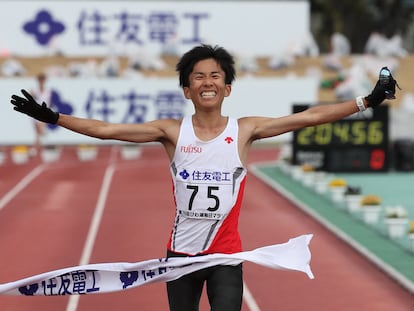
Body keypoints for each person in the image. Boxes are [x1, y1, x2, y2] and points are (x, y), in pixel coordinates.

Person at [10, 44, 398, 311]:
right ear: (186, 89)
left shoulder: (246, 130)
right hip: (179, 258)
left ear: (227, 87)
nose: (207, 82)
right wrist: (53, 118)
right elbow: (107, 130)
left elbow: (309, 117)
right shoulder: (171, 132)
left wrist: (367, 100)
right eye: (198, 76)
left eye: (215, 75)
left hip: (226, 256)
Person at [29, 72, 52, 155]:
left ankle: (36, 148)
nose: (41, 81)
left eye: (43, 80)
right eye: (40, 80)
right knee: (37, 133)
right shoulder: (34, 90)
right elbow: (29, 98)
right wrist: (31, 95)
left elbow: (48, 103)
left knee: (40, 129)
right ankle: (38, 147)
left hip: (43, 112)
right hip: (34, 112)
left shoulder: (47, 91)